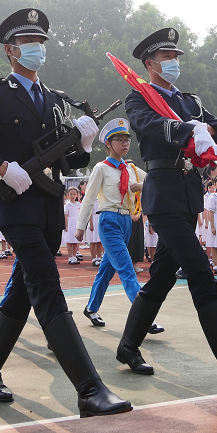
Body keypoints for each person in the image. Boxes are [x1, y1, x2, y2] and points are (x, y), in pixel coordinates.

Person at [0, 8, 130, 417]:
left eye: (41, 43)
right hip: (14, 205)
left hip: (48, 207)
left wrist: (84, 140)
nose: (37, 50)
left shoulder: (56, 99)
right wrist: (0, 167)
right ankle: (89, 389)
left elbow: (71, 162)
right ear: (10, 50)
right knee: (46, 285)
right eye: (29, 44)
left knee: (23, 291)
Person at [114, 27, 217, 391]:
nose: (173, 63)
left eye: (176, 57)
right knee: (200, 271)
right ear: (150, 64)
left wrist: (207, 129)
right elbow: (151, 126)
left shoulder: (190, 100)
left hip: (187, 194)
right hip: (163, 194)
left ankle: (127, 346)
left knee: (164, 276)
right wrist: (187, 131)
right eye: (167, 58)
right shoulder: (138, 98)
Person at [75, 119, 162, 335]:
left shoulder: (131, 168)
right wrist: (81, 226)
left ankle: (92, 307)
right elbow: (89, 198)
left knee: (106, 269)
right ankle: (144, 315)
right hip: (109, 220)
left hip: (127, 222)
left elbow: (154, 181)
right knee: (127, 269)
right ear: (108, 143)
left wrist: (141, 186)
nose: (124, 144)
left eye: (127, 140)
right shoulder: (101, 168)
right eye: (119, 140)